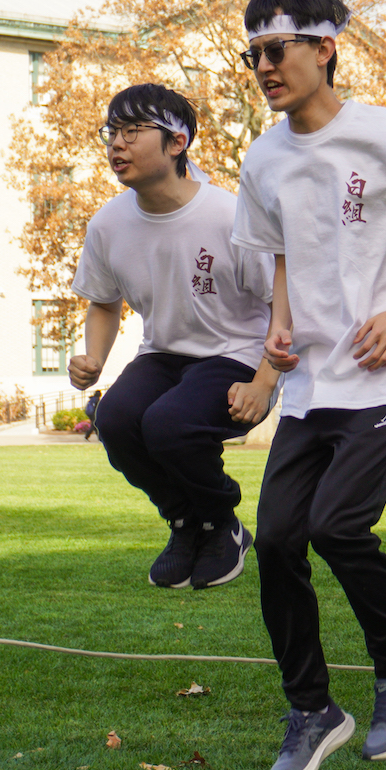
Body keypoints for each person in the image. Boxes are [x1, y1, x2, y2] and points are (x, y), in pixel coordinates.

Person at [230, 0, 386, 770]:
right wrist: (278, 332)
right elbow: (284, 254)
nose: (264, 66)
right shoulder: (262, 158)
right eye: (253, 53)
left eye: (278, 49)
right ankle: (312, 710)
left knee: (338, 525)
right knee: (274, 541)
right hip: (313, 382)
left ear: (324, 48)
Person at [69, 83, 279, 591]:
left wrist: (266, 382)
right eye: (111, 133)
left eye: (132, 132)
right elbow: (103, 301)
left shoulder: (230, 215)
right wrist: (92, 356)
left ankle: (220, 517)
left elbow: (285, 305)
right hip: (164, 353)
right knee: (116, 419)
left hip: (237, 353)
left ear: (177, 142)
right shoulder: (109, 223)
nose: (116, 145)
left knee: (168, 423)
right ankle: (187, 523)